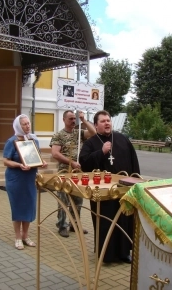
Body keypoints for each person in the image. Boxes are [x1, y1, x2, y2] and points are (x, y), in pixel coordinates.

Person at [79, 110, 140, 263]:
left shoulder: (122, 139)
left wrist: (136, 182)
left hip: (123, 190)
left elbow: (134, 162)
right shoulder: (91, 143)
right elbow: (84, 163)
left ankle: (124, 253)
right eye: (103, 121)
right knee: (105, 222)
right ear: (95, 125)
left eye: (108, 120)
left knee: (124, 221)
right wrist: (101, 152)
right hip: (102, 192)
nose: (107, 123)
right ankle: (105, 255)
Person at [3, 114, 47, 250]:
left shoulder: (34, 140)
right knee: (18, 206)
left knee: (29, 205)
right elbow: (5, 161)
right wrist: (18, 165)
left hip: (30, 178)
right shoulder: (12, 141)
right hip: (16, 179)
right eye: (24, 124)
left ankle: (25, 236)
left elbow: (37, 158)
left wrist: (42, 162)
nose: (27, 126)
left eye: (28, 123)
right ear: (18, 126)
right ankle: (17, 237)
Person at [50, 110, 96, 237]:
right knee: (63, 200)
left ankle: (74, 224)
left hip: (77, 173)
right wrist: (71, 162)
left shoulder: (78, 133)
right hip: (64, 172)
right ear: (64, 120)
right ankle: (61, 225)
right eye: (70, 119)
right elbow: (55, 153)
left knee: (78, 200)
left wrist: (84, 120)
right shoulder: (58, 135)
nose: (73, 121)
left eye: (74, 119)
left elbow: (93, 133)